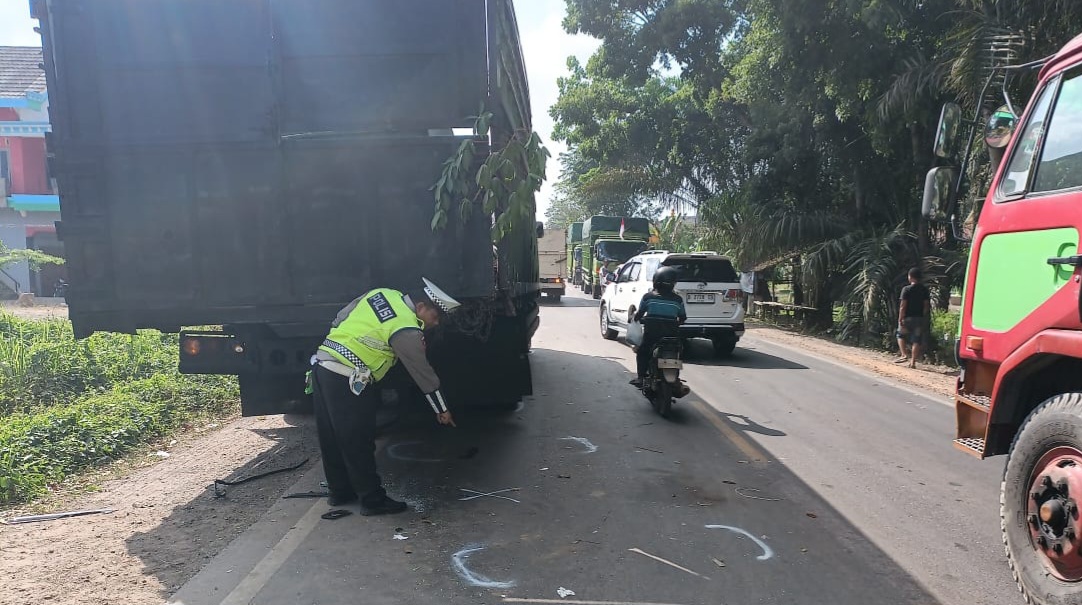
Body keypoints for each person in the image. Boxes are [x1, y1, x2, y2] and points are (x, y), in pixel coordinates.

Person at [309, 277, 460, 516]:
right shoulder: (406, 327)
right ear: (421, 307)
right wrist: (442, 409)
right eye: (435, 317)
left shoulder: (381, 294)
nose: (435, 323)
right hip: (349, 378)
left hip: (323, 368)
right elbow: (422, 373)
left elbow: (341, 317)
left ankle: (340, 492)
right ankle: (373, 500)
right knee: (358, 440)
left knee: (332, 438)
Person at [629, 266, 686, 388]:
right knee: (678, 352)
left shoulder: (648, 297)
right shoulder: (678, 300)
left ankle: (641, 377)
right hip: (671, 336)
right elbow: (682, 317)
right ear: (673, 283)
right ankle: (676, 378)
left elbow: (639, 314)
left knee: (642, 352)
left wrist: (636, 318)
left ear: (655, 281)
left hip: (652, 336)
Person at [896, 267, 931, 369]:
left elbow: (903, 305)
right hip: (919, 318)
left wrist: (900, 318)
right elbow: (926, 305)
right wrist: (922, 315)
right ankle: (913, 362)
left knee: (900, 335)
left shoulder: (906, 289)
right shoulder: (924, 290)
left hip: (907, 317)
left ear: (910, 277)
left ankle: (904, 354)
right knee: (917, 340)